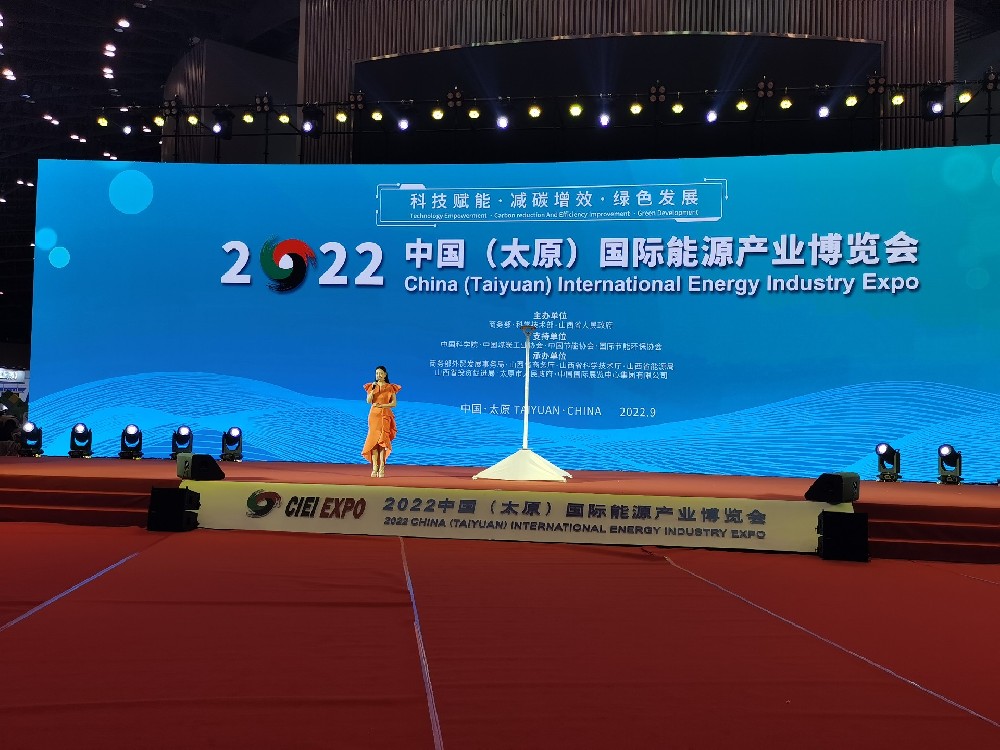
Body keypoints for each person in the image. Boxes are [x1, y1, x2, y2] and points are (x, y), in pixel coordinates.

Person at [362, 365, 401, 478]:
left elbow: (394, 403)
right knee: (374, 442)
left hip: (385, 415)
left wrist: (383, 405)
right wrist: (373, 390)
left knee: (383, 441)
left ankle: (382, 467)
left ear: (385, 374)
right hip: (374, 416)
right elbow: (368, 401)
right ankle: (375, 467)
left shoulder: (390, 387)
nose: (378, 375)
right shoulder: (371, 386)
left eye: (380, 373)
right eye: (376, 373)